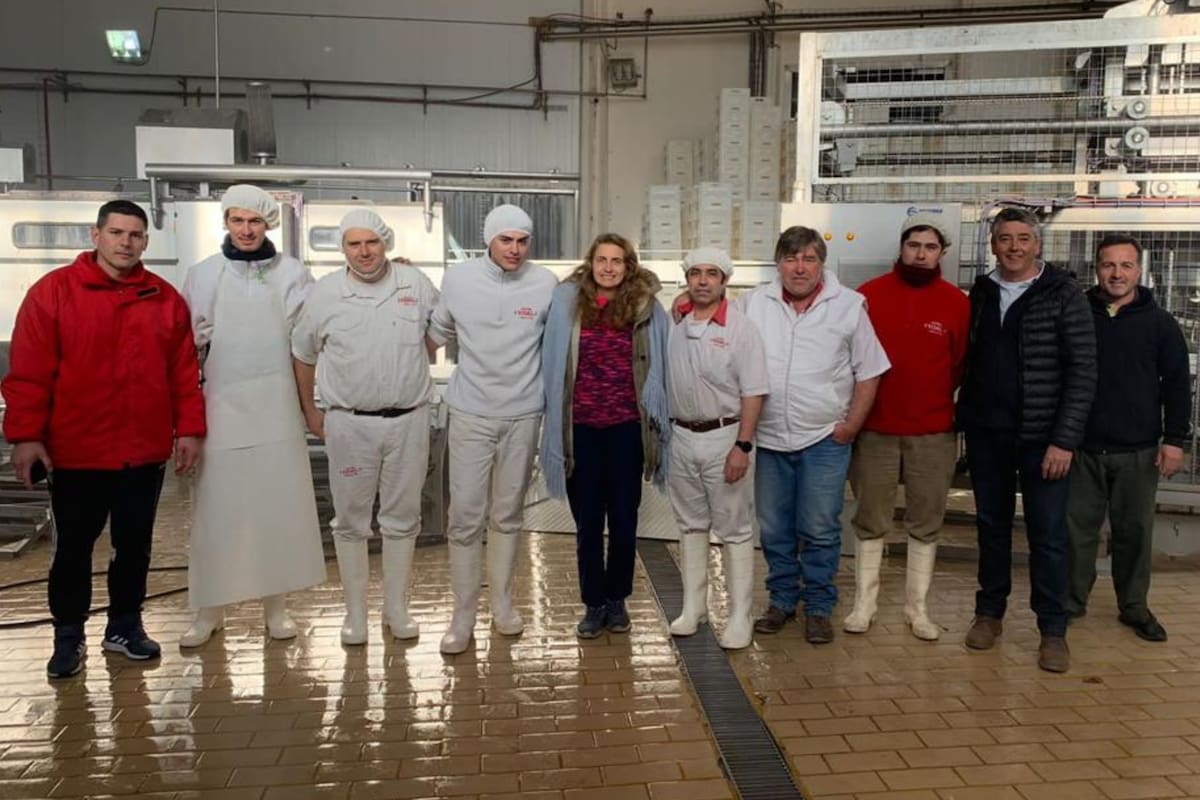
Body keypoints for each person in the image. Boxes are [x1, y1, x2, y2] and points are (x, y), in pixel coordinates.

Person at [2, 200, 205, 678]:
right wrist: (26, 437)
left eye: (135, 235)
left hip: (143, 451)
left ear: (145, 243)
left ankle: (124, 627)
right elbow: (28, 373)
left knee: (134, 547)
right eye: (116, 233)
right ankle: (68, 636)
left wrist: (190, 429)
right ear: (96, 236)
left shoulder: (164, 298)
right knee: (73, 547)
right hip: (78, 451)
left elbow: (183, 374)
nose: (125, 243)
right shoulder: (52, 294)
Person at [179, 184, 327, 647]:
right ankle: (209, 611)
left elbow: (310, 340)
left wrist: (310, 407)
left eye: (255, 221)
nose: (246, 230)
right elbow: (187, 347)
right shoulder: (204, 275)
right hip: (221, 407)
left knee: (275, 509)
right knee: (216, 511)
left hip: (277, 408)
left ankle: (276, 609)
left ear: (269, 225)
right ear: (225, 222)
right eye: (238, 220)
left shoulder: (293, 274)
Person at [956, 206, 1096, 673]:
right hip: (987, 433)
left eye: (1023, 238)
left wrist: (1064, 440)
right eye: (1005, 238)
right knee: (991, 527)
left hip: (1043, 439)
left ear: (1038, 245)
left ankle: (1052, 631)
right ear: (992, 244)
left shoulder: (1063, 294)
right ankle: (989, 613)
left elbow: (1083, 371)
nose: (1014, 247)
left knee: (1048, 536)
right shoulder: (981, 292)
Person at [292, 209, 438, 645]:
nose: (364, 251)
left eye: (371, 242)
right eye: (354, 244)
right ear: (343, 249)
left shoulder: (416, 285)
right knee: (351, 521)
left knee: (402, 517)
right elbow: (303, 355)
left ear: (386, 243)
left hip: (409, 420)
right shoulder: (325, 295)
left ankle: (396, 609)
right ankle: (355, 614)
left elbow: (438, 334)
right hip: (350, 425)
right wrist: (310, 412)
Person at [744, 226, 891, 644]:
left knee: (820, 527)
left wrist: (850, 427)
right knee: (773, 527)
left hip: (825, 438)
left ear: (821, 264)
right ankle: (782, 600)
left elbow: (871, 370)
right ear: (778, 264)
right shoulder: (755, 303)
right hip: (770, 437)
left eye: (808, 258)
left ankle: (820, 606)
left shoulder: (847, 306)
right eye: (790, 258)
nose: (799, 267)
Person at [426, 204, 558, 654]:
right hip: (470, 412)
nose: (515, 250)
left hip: (523, 413)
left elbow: (560, 342)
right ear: (489, 240)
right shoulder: (459, 280)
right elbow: (434, 334)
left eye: (523, 241)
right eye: (506, 240)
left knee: (507, 513)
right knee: (464, 515)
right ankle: (463, 612)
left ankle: (502, 601)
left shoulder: (545, 284)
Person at [843, 214, 970, 641]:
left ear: (942, 254)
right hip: (875, 430)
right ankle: (865, 604)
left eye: (930, 247)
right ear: (901, 248)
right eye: (914, 245)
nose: (921, 253)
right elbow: (852, 360)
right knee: (871, 518)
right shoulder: (868, 297)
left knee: (925, 521)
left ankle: (917, 610)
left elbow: (958, 367)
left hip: (933, 432)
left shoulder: (957, 303)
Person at [540, 233, 671, 638]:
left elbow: (665, 356)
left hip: (626, 430)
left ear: (628, 266)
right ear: (591, 263)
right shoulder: (567, 304)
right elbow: (547, 352)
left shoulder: (646, 307)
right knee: (588, 523)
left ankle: (618, 600)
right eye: (602, 260)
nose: (609, 267)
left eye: (617, 260)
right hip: (580, 430)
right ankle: (593, 604)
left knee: (625, 519)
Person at [1066, 233, 1189, 642]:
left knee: (1134, 531)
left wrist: (1175, 439)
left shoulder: (1160, 324)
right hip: (1080, 448)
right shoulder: (1077, 314)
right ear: (1096, 268)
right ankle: (1069, 601)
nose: (1116, 273)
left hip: (1138, 450)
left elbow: (1175, 384)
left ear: (1139, 270)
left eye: (1125, 265)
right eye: (1108, 265)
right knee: (1076, 531)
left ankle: (1134, 606)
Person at [665, 247, 767, 650]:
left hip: (725, 437)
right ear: (687, 279)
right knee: (690, 524)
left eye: (712, 274)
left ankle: (740, 616)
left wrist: (742, 445)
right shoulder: (677, 322)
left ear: (726, 281)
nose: (703, 280)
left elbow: (754, 391)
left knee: (735, 529)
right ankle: (694, 608)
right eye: (696, 273)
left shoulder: (742, 329)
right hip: (681, 437)